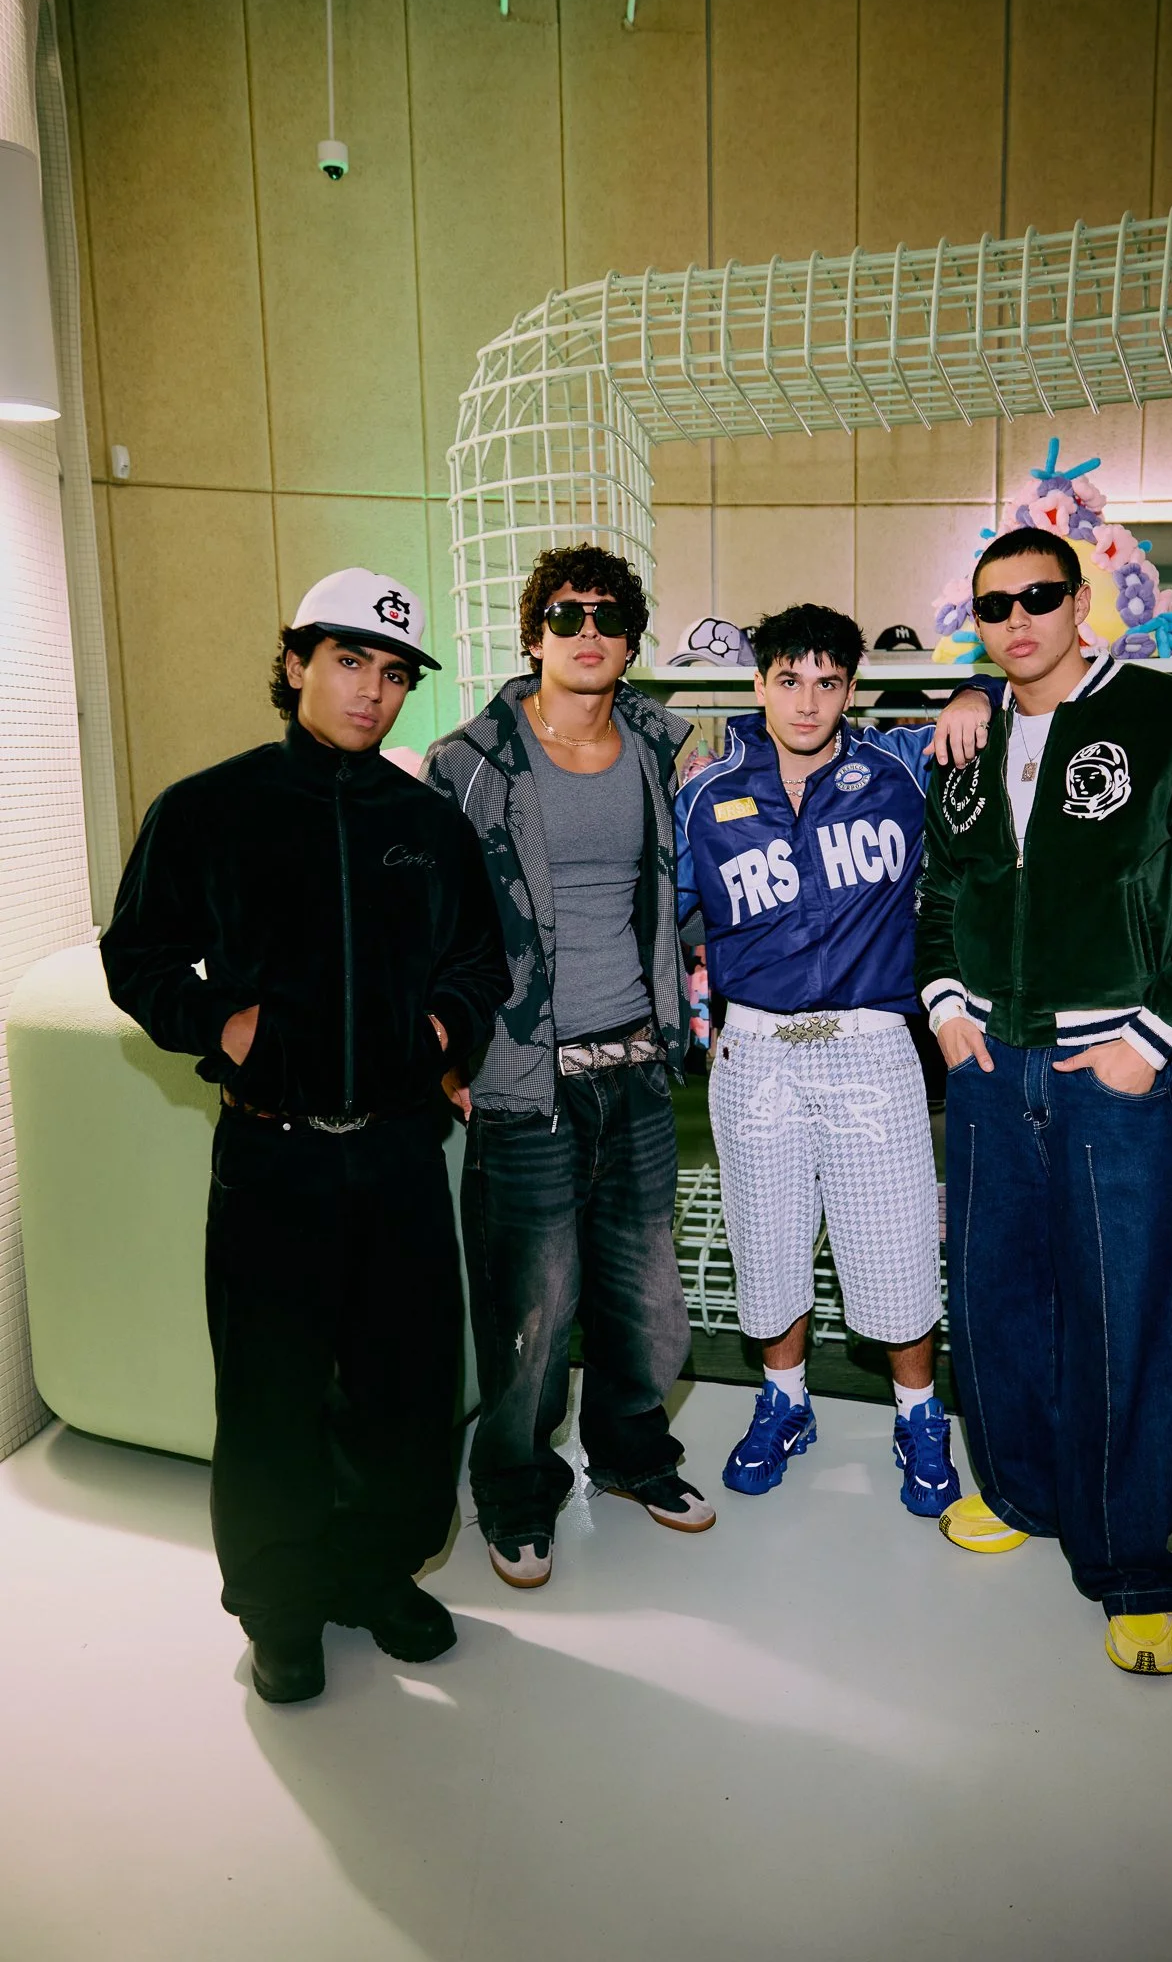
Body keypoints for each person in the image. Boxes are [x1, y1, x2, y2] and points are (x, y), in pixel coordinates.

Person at [101, 569, 510, 1705]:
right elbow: (137, 956)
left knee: (404, 1384)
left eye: (394, 674)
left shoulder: (427, 825)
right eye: (348, 661)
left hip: (396, 1154)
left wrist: (442, 1027)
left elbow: (480, 963)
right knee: (270, 1394)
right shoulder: (208, 808)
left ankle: (377, 1573)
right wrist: (221, 1026)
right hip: (270, 1155)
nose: (372, 691)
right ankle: (279, 1607)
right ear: (295, 664)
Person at [916, 526, 1172, 1675]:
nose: (1016, 619)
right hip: (989, 1068)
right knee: (991, 1299)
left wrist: (1152, 1036)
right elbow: (941, 891)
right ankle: (1020, 1490)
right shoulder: (964, 740)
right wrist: (943, 1005)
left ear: (1079, 602)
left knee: (1121, 1313)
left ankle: (1130, 1563)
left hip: (1111, 1072)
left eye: (1037, 596)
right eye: (992, 605)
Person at [423, 545, 711, 1591]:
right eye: (564, 613)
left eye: (607, 615)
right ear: (533, 633)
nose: (587, 630)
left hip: (634, 1067)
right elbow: (431, 914)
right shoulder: (471, 760)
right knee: (530, 1309)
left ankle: (632, 1453)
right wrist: (445, 1043)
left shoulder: (659, 748)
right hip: (522, 1073)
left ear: (631, 640)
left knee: (643, 1295)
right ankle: (513, 1488)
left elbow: (679, 891)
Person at [674, 604, 991, 1514]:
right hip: (755, 1050)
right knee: (765, 1241)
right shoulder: (706, 794)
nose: (807, 701)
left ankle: (919, 1415)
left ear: (852, 689)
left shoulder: (899, 764)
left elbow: (1031, 688)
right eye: (789, 680)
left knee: (895, 1245)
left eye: (827, 682)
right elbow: (658, 915)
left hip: (871, 1045)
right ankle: (785, 1402)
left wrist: (975, 689)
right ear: (758, 683)